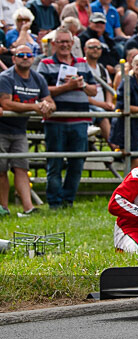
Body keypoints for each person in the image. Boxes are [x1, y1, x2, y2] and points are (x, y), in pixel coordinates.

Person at [36, 27, 97, 208]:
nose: (64, 45)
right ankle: (54, 202)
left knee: (77, 163)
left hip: (79, 121)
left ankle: (68, 200)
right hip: (55, 121)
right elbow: (41, 90)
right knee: (54, 163)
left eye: (67, 42)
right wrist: (67, 87)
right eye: (60, 41)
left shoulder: (82, 63)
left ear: (72, 43)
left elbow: (94, 89)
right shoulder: (45, 63)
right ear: (53, 44)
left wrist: (82, 84)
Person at [0, 45, 55, 217]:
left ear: (33, 58)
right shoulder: (6, 77)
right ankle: (3, 209)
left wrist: (47, 106)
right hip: (2, 130)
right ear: (14, 58)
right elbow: (6, 104)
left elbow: (50, 102)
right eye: (21, 55)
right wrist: (35, 107)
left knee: (21, 168)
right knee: (1, 171)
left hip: (20, 130)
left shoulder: (38, 79)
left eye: (28, 55)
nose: (25, 57)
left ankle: (28, 208)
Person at [84, 38, 114, 141]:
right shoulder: (81, 66)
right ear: (85, 49)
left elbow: (109, 87)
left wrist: (109, 102)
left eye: (98, 47)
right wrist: (101, 105)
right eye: (92, 47)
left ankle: (120, 148)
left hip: (103, 106)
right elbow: (81, 92)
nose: (95, 50)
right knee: (101, 114)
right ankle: (114, 148)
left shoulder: (102, 68)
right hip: (88, 105)